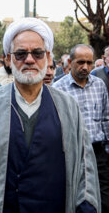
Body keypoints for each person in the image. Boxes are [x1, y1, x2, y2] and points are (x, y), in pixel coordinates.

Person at [0, 18, 100, 213]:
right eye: (21, 53)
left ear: (48, 57)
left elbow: (86, 172)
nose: (30, 59)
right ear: (8, 59)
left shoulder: (67, 106)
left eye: (38, 53)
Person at [53, 44, 109, 213]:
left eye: (89, 63)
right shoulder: (58, 89)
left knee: (104, 197)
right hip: (72, 152)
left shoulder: (99, 85)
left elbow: (106, 118)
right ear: (69, 62)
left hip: (98, 152)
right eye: (80, 62)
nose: (85, 67)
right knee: (76, 197)